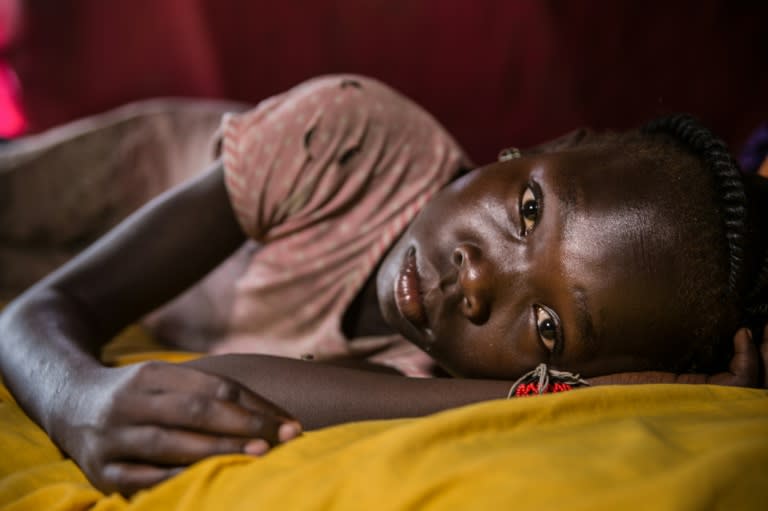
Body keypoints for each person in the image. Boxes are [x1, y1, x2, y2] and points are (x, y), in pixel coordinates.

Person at [0, 75, 766, 495]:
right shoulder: (350, 138)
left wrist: (577, 399)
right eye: (528, 208)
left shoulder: (430, 383)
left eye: (546, 328)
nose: (476, 279)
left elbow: (216, 387)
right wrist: (75, 399)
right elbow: (44, 313)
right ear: (539, 148)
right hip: (87, 203)